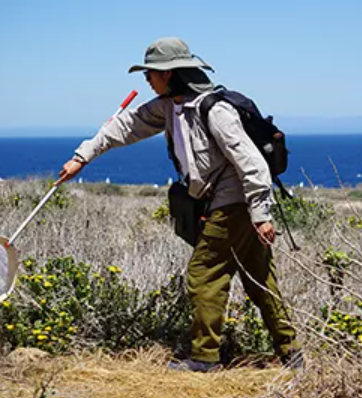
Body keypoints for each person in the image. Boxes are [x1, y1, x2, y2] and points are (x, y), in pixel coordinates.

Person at [56, 37, 301, 372]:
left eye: (151, 73)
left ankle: (205, 358)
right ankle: (291, 353)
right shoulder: (168, 106)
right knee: (260, 278)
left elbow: (253, 164)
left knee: (205, 274)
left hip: (234, 202)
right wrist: (82, 157)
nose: (146, 79)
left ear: (169, 73)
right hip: (224, 203)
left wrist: (260, 215)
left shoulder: (214, 110)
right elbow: (124, 126)